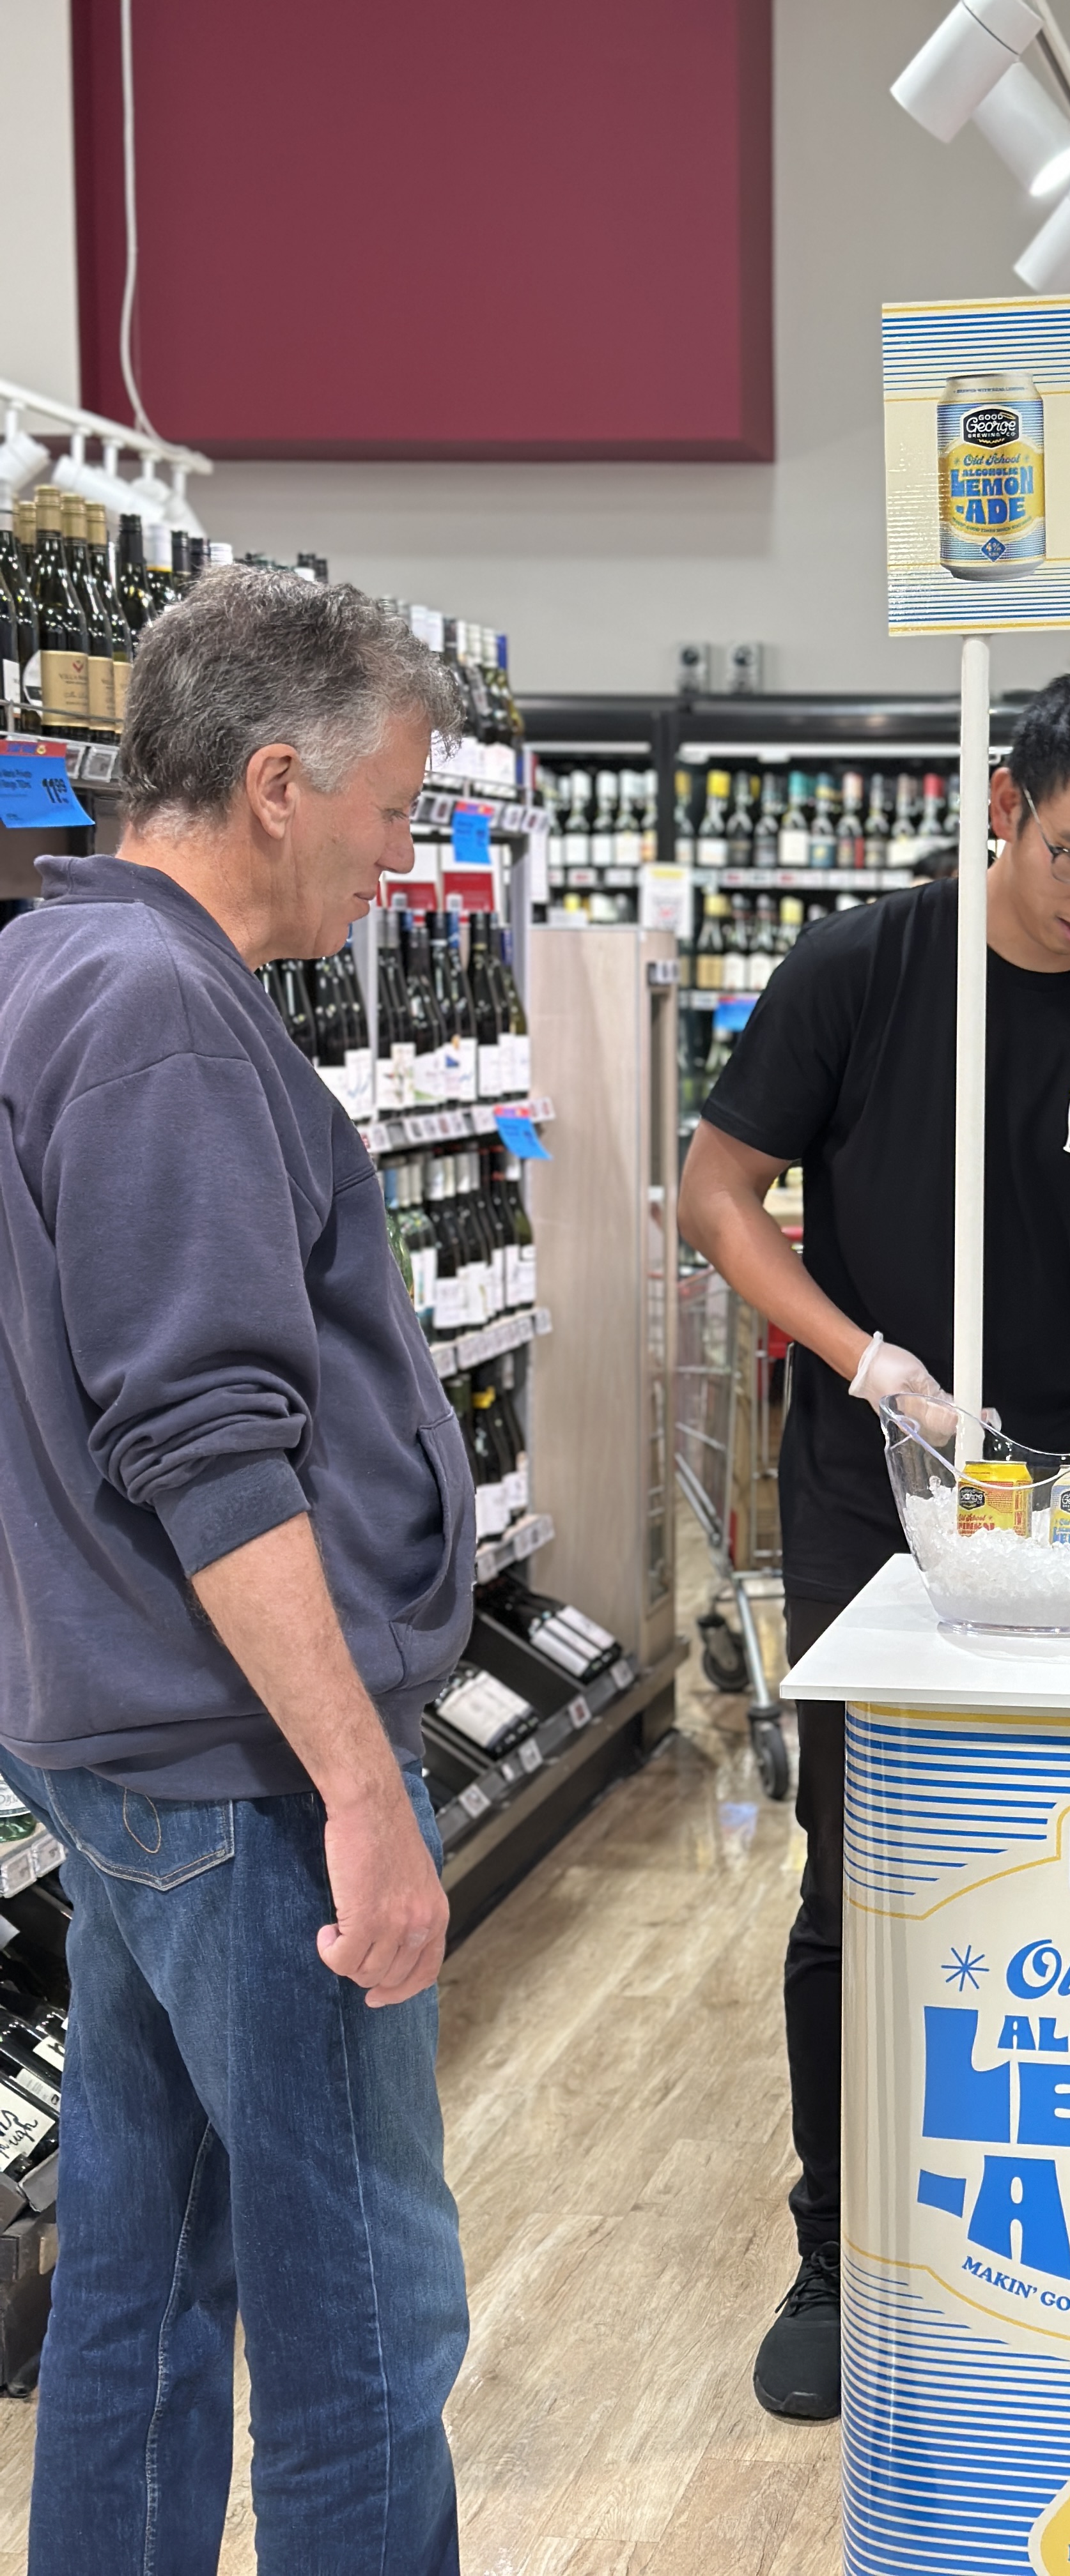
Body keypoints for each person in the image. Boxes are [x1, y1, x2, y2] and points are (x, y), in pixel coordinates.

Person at [679, 664, 1070, 2421]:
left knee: (1057, 1860)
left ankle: (1028, 2241)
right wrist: (864, 1358)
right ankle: (833, 2247)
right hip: (874, 1488)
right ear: (1005, 807)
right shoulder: (863, 970)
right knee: (855, 1867)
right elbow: (718, 1194)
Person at [0, 569, 475, 2573]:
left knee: (143, 2256)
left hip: (129, 1743)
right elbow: (205, 1446)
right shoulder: (161, 1019)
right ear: (278, 784)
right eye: (393, 808)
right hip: (243, 1764)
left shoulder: (57, 963)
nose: (404, 854)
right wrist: (359, 1790)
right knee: (363, 2310)